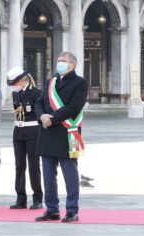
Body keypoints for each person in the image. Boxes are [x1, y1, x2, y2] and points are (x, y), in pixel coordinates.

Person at [34, 52, 88, 223]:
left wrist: (52, 118)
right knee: (48, 175)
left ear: (72, 64)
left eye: (63, 61)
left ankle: (72, 210)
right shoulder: (50, 82)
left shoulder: (80, 83)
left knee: (70, 174)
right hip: (47, 132)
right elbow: (39, 102)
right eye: (58, 60)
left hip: (68, 132)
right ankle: (51, 209)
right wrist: (42, 116)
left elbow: (74, 107)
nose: (59, 63)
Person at [6, 66, 43, 210]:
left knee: (34, 167)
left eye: (14, 83)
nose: (13, 86)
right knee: (19, 166)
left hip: (33, 131)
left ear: (22, 80)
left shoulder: (36, 93)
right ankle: (21, 199)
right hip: (19, 132)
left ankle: (37, 199)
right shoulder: (16, 94)